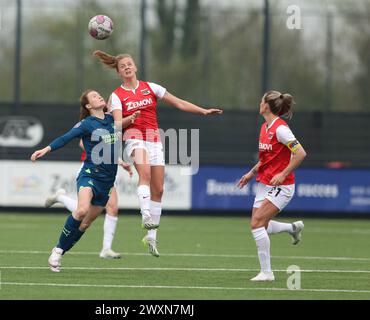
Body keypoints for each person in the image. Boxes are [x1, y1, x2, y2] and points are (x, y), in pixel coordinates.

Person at [93, 50, 223, 257]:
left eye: (129, 64)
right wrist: (129, 119)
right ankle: (145, 215)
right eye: (122, 66)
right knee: (144, 175)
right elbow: (117, 124)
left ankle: (151, 237)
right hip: (134, 137)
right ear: (119, 73)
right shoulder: (117, 96)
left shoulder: (151, 88)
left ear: (135, 67)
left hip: (154, 139)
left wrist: (203, 111)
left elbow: (179, 103)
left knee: (159, 189)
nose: (127, 67)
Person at [30, 89, 120, 272]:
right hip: (90, 174)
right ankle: (56, 251)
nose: (99, 96)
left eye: (99, 94)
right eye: (94, 96)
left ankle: (59, 251)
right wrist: (46, 149)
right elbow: (66, 138)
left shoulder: (113, 120)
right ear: (88, 105)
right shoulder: (86, 124)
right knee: (81, 211)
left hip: (107, 181)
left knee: (85, 224)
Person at [237, 90, 307, 281]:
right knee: (261, 225)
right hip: (264, 183)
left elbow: (300, 153)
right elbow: (266, 159)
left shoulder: (281, 129)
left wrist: (283, 173)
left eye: (261, 101)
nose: (259, 103)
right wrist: (251, 174)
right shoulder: (264, 127)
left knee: (256, 223)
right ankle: (292, 228)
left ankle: (267, 273)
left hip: (282, 186)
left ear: (266, 105)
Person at [44, 140, 133, 260]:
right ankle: (61, 198)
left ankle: (106, 249)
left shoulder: (115, 125)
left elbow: (111, 148)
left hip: (109, 172)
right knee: (83, 212)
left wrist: (120, 162)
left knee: (112, 208)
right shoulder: (95, 122)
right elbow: (82, 142)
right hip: (92, 170)